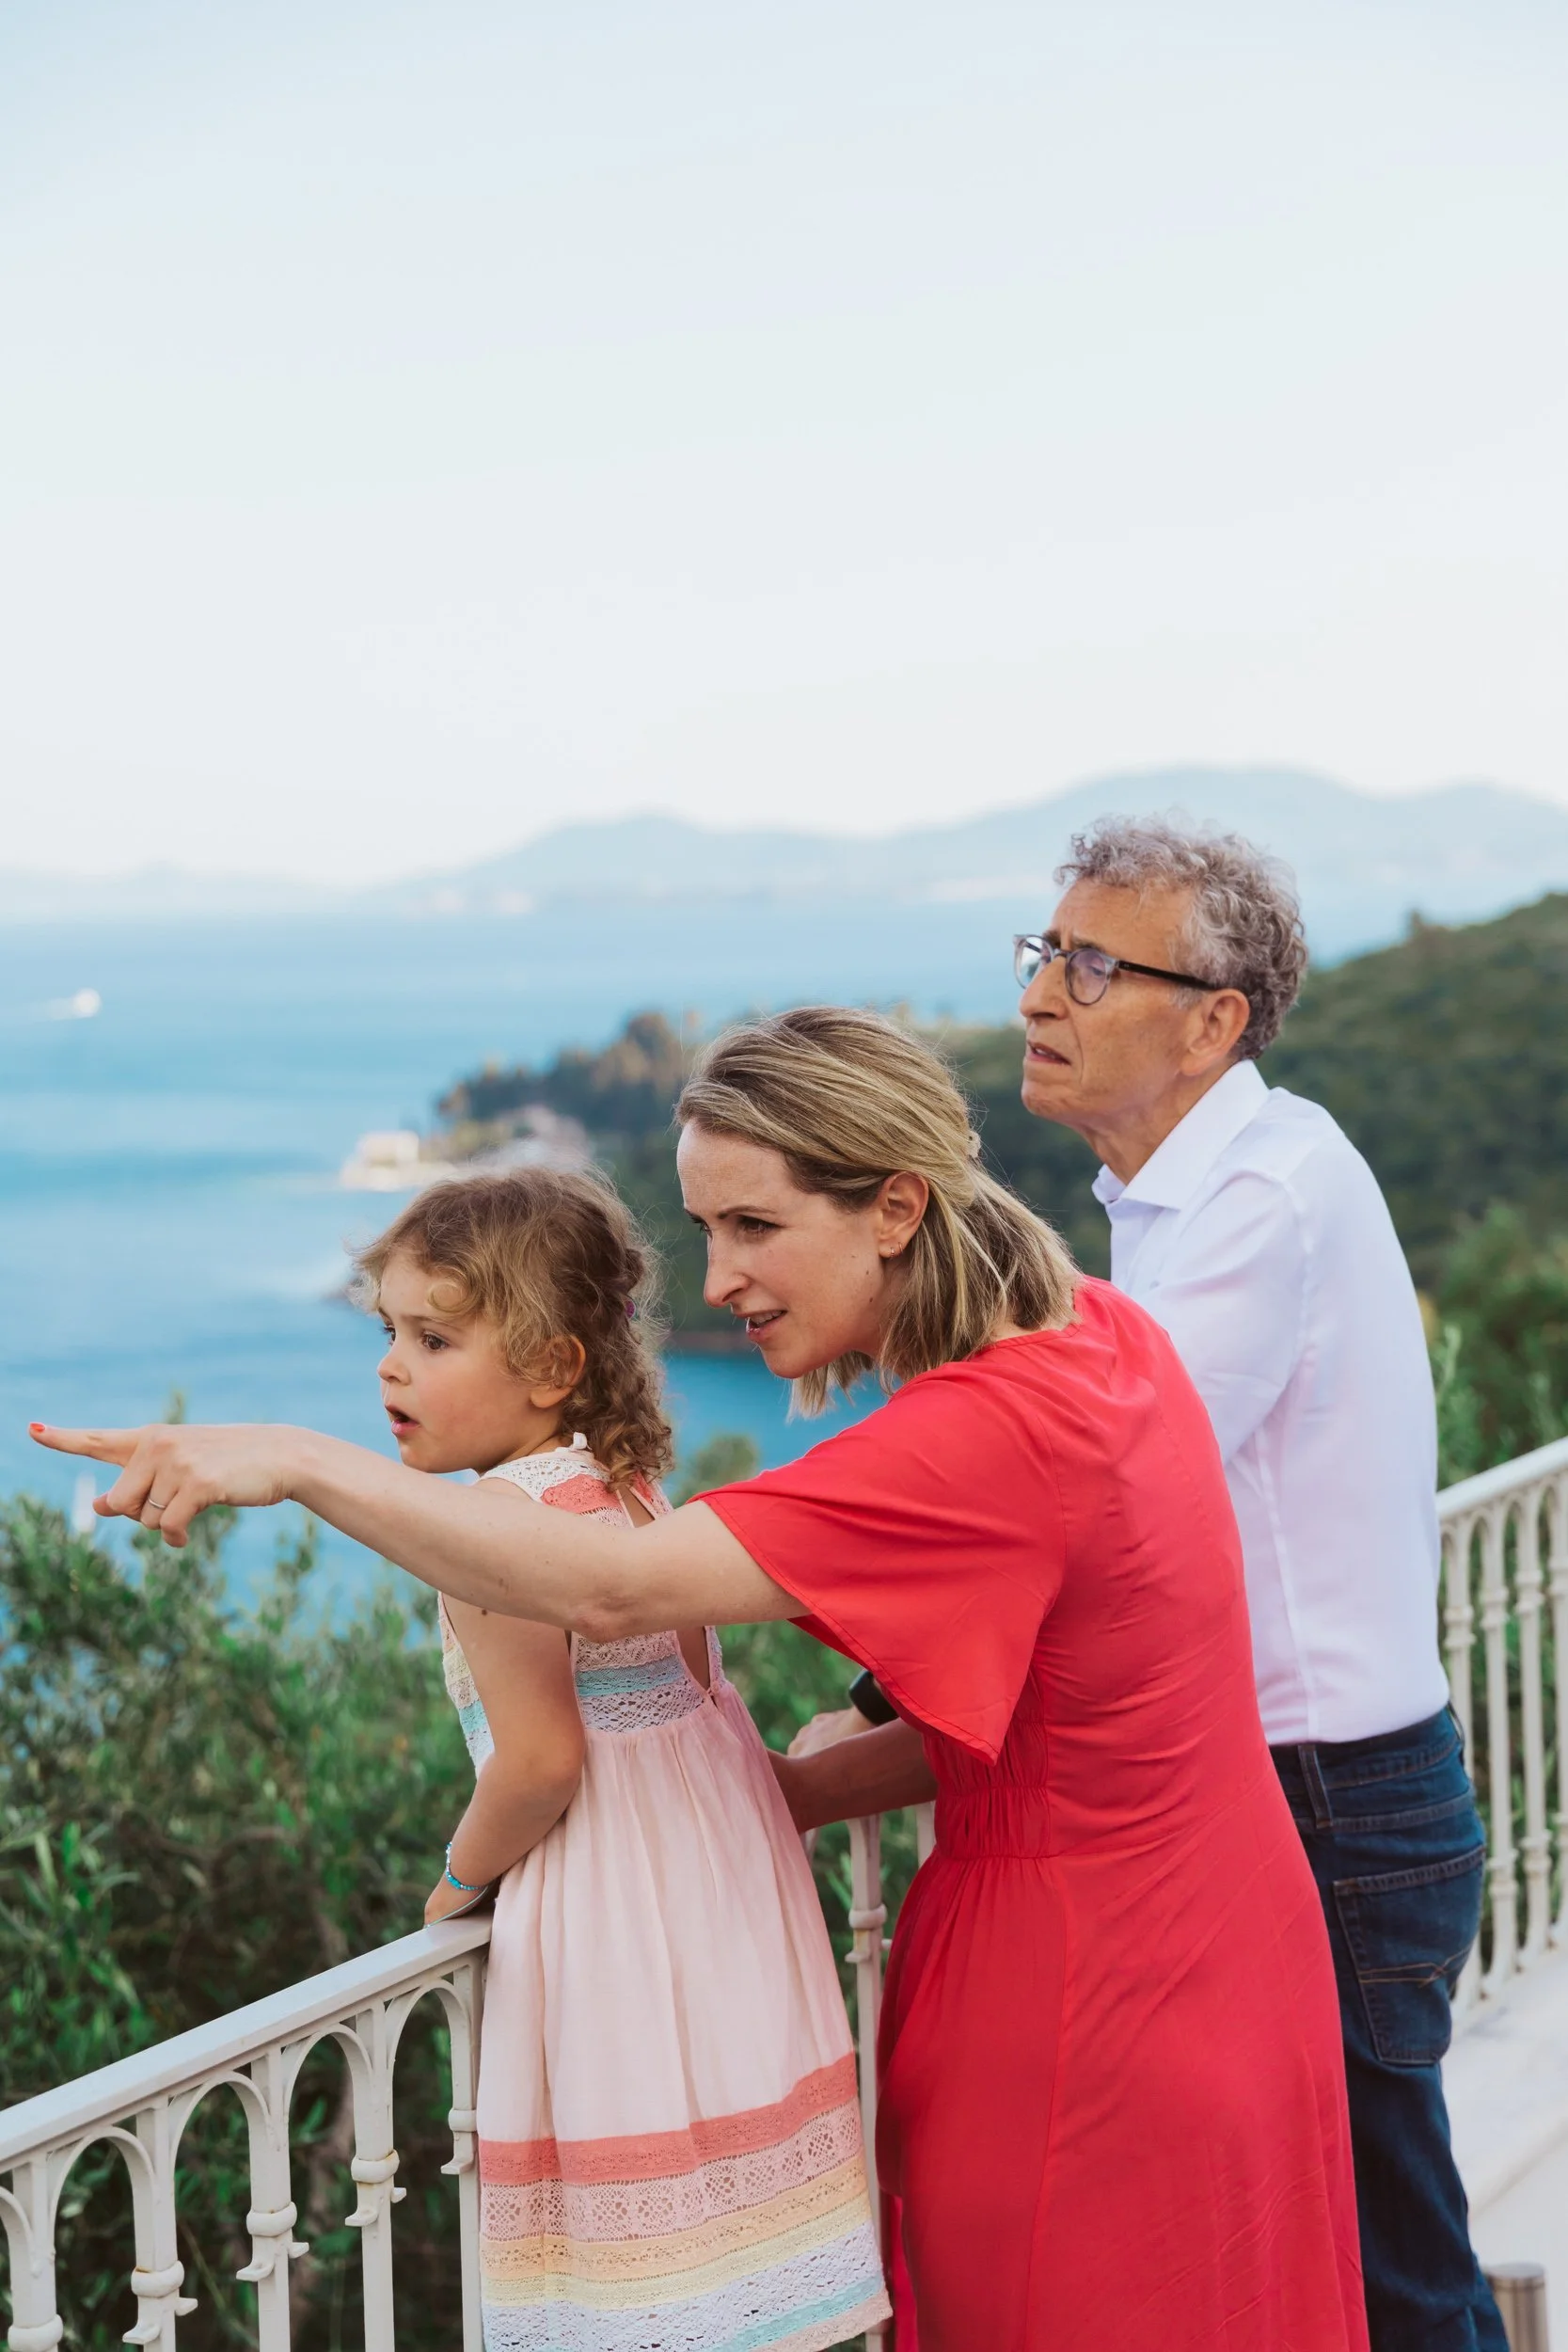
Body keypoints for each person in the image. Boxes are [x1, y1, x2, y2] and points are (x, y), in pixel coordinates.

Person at [35, 1007, 1370, 2352]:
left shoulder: (974, 1434)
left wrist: (301, 1460)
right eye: (701, 1231)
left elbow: (607, 1586)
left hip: (1087, 2009)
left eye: (752, 1227)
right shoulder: (1096, 1339)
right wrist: (775, 1793)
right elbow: (1065, 1716)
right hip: (1229, 1951)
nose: (719, 1279)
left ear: (893, 1207)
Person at [1008, 817, 1503, 2352]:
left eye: (1092, 965)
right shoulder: (1186, 1196)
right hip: (1315, 1792)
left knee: (1386, 2268)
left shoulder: (1252, 1203)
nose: (1041, 994)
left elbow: (1093, 1491)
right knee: (1318, 2254)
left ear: (1212, 1019)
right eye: (1043, 952)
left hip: (1327, 1804)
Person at [340, 1166, 888, 2352]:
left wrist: (452, 1887)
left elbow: (539, 1763)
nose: (390, 1365)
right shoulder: (632, 1498)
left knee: (639, 2298)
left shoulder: (494, 1530)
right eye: (389, 1331)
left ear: (551, 1366)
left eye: (433, 1338)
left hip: (616, 1934)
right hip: (719, 1914)